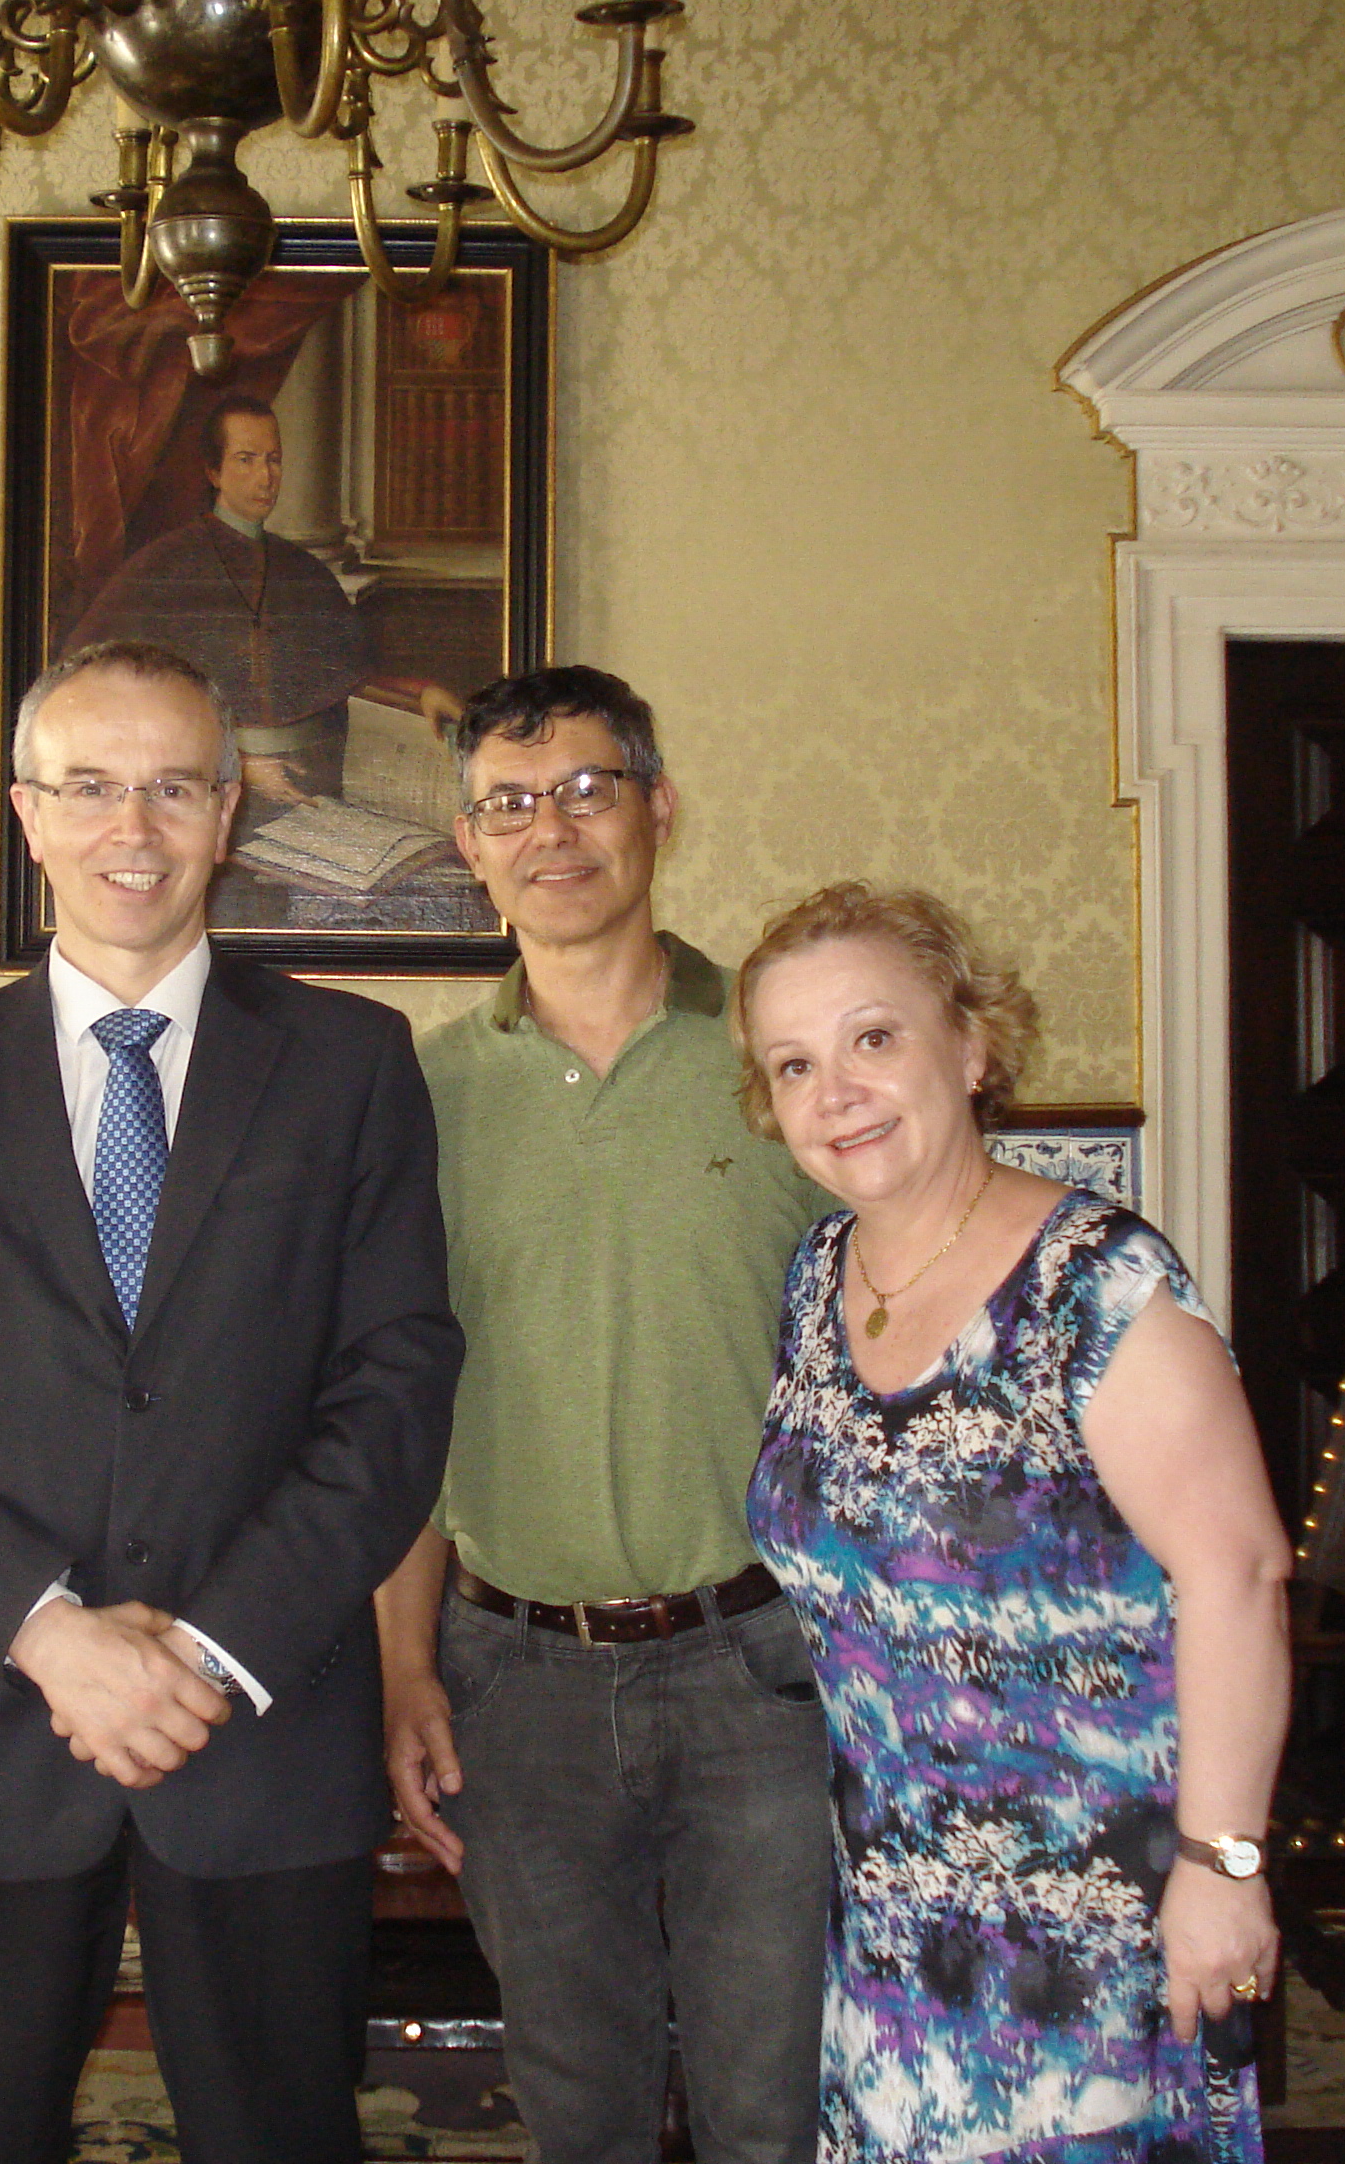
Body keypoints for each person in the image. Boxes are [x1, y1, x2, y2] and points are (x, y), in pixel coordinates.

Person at [0, 639, 461, 2164]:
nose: (133, 827)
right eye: (90, 787)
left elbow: (396, 1387)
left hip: (264, 1725)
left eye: (172, 786)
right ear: (27, 813)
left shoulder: (352, 1064)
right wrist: (48, 1635)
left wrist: (212, 1648)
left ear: (229, 812)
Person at [735, 882, 1290, 2164]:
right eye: (796, 1064)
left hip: (1096, 1923)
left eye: (876, 1038)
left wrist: (1225, 1864)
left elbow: (1240, 1573)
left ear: (973, 1046)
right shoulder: (822, 1277)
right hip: (890, 1914)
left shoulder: (1097, 1282)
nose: (838, 1091)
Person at [374, 666, 836, 2164]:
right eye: (511, 803)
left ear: (658, 809)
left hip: (763, 1672)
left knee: (773, 2104)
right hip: (514, 1682)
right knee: (579, 2111)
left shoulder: (780, 1064)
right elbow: (397, 1413)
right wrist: (404, 1672)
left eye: (588, 789)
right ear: (467, 844)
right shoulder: (416, 1100)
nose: (552, 830)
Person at [66, 394, 380, 815]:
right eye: (246, 460)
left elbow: (352, 672)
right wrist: (230, 763)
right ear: (214, 471)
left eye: (274, 460)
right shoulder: (164, 564)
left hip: (311, 782)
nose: (265, 477)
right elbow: (89, 678)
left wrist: (421, 695)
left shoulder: (304, 571)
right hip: (202, 786)